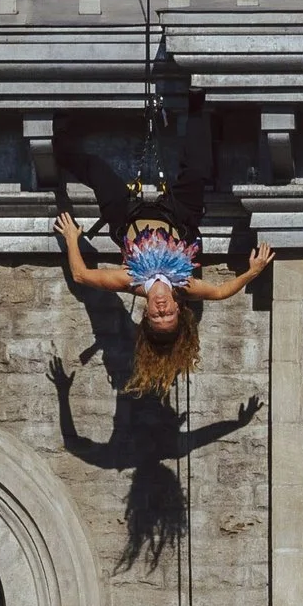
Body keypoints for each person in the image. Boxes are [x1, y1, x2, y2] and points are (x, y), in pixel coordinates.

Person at [52, 101, 272, 400]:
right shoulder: (185, 285)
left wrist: (72, 238)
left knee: (94, 168)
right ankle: (196, 106)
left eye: (156, 317)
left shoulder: (130, 281)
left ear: (146, 315)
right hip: (176, 216)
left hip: (128, 215)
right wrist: (253, 271)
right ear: (178, 310)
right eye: (168, 315)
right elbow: (222, 292)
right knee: (196, 173)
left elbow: (80, 275)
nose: (162, 309)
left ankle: (60, 134)